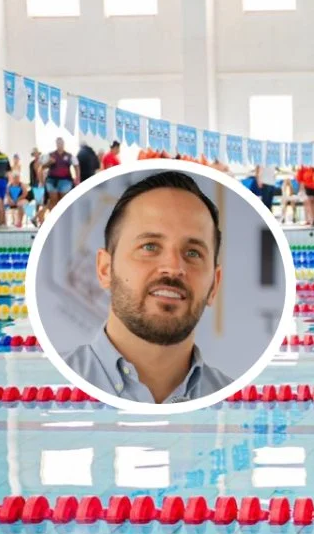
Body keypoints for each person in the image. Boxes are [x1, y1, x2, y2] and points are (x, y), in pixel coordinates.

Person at [62, 171, 232, 404]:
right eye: (150, 247)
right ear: (105, 269)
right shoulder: (55, 386)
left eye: (193, 253)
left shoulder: (234, 400)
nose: (173, 268)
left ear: (214, 285)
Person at [41, 138, 78, 223]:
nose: (59, 145)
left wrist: (77, 178)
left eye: (61, 143)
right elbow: (42, 167)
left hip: (65, 180)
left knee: (63, 201)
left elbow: (76, 166)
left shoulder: (69, 155)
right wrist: (49, 162)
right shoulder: (50, 155)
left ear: (63, 144)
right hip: (51, 180)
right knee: (53, 200)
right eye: (58, 143)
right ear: (56, 144)